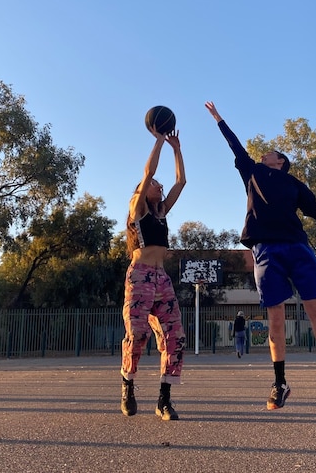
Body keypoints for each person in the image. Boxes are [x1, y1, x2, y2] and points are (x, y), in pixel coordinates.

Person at [205, 101, 316, 410]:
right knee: (276, 317)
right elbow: (236, 147)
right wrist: (219, 119)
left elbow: (315, 213)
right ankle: (280, 383)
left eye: (271, 152)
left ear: (281, 162)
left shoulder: (294, 184)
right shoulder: (253, 172)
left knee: (315, 310)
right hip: (265, 249)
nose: (265, 153)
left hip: (298, 247)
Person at [121, 126, 187, 420]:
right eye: (154, 185)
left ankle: (164, 400)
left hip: (162, 279)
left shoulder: (161, 213)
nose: (159, 187)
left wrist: (177, 149)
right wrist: (159, 140)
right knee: (137, 335)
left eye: (160, 185)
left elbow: (181, 181)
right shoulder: (138, 210)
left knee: (176, 337)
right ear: (141, 191)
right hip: (140, 277)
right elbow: (148, 172)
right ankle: (128, 387)